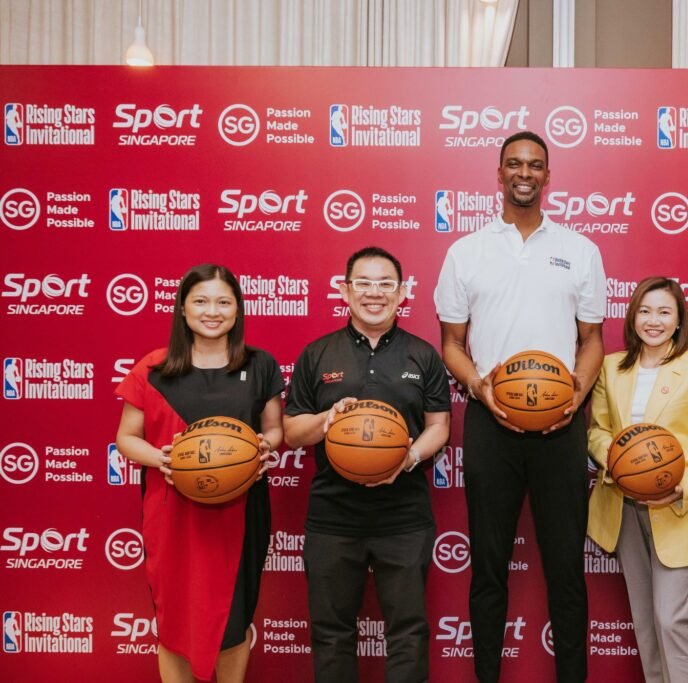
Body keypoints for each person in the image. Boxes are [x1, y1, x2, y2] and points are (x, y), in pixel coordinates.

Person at [434, 131, 606, 682]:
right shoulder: (465, 250)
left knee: (566, 571)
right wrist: (480, 388)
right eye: (514, 164)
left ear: (548, 176)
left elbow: (593, 340)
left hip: (561, 427)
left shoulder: (581, 250)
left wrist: (577, 393)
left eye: (535, 165)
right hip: (491, 423)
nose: (524, 173)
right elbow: (452, 345)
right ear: (499, 173)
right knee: (488, 567)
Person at [283, 246, 451, 682]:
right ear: (344, 290)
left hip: (404, 514)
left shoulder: (423, 355)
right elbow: (292, 432)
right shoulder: (317, 354)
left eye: (385, 284)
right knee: (332, 634)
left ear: (402, 293)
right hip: (333, 516)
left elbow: (440, 427)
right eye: (363, 283)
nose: (374, 293)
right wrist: (327, 419)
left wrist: (409, 457)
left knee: (408, 634)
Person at [115, 264, 284, 683]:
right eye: (202, 301)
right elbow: (126, 438)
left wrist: (267, 446)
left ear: (238, 309)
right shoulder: (153, 369)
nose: (213, 311)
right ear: (183, 309)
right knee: (173, 625)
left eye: (224, 302)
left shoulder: (260, 365)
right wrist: (163, 459)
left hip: (241, 512)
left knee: (234, 620)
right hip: (173, 513)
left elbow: (275, 428)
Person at [587, 276, 688, 683]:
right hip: (624, 508)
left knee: (671, 620)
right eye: (645, 311)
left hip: (680, 510)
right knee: (646, 624)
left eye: (664, 311)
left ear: (680, 319)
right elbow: (597, 431)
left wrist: (682, 485)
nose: (654, 320)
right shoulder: (611, 367)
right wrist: (618, 464)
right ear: (632, 317)